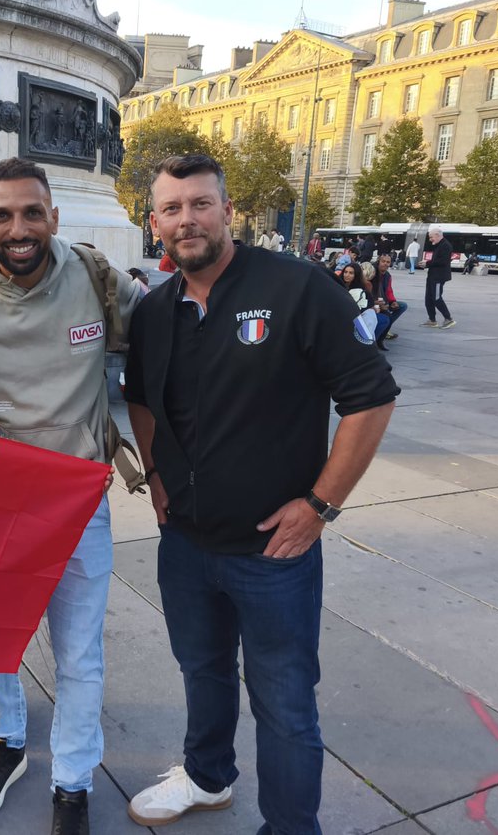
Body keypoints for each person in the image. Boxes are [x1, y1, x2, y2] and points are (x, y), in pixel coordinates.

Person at [122, 154, 398, 833]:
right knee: (203, 671)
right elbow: (141, 403)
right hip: (185, 546)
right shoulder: (155, 311)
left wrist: (322, 504)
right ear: (154, 223)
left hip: (273, 553)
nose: (186, 219)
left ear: (227, 210)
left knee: (284, 705)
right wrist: (156, 478)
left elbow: (371, 396)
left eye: (200, 203)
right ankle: (209, 778)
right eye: (171, 208)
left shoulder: (297, 288)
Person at [0, 157, 141, 835]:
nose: (18, 228)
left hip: (79, 504)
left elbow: (178, 334)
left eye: (31, 213)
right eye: (2, 215)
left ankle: (73, 783)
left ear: (53, 216)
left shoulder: (98, 279)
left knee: (80, 656)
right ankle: (8, 741)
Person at [422, 226, 456, 328]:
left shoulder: (445, 245)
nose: (430, 239)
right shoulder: (439, 244)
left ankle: (448, 319)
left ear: (437, 235)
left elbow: (443, 261)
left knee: (436, 298)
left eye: (431, 237)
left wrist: (427, 263)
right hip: (433, 276)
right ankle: (432, 320)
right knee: (428, 298)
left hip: (438, 277)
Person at [373, 253, 408, 341]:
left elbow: (389, 291)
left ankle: (385, 329)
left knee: (402, 306)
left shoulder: (388, 276)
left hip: (383, 301)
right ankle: (382, 331)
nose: (385, 264)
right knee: (385, 314)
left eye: (388, 262)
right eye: (383, 261)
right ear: (378, 262)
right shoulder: (372, 272)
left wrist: (393, 302)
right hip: (373, 302)